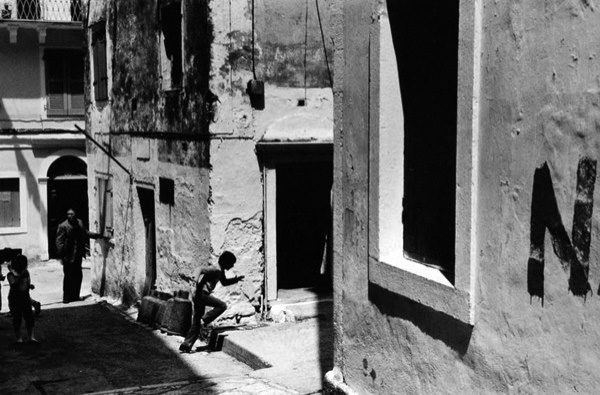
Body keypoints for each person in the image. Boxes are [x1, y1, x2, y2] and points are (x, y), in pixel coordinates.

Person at [179, 251, 244, 353]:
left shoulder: (221, 271)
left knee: (196, 322)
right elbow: (199, 269)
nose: (232, 266)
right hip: (202, 294)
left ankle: (186, 345)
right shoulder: (215, 269)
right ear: (225, 262)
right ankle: (204, 319)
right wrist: (194, 281)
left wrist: (236, 280)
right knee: (222, 305)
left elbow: (224, 282)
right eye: (231, 263)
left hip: (200, 295)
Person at [55, 208, 103, 304]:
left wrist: (96, 235)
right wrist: (62, 255)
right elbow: (59, 242)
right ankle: (66, 297)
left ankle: (75, 295)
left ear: (75, 215)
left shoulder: (79, 223)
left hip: (78, 254)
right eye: (68, 214)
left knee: (78, 276)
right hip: (68, 255)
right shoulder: (63, 226)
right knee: (68, 276)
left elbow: (85, 232)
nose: (69, 216)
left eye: (71, 214)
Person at [7, 254, 38, 344]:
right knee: (17, 318)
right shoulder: (11, 275)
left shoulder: (26, 273)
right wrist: (20, 277)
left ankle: (31, 336)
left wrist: (30, 286)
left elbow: (27, 283)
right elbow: (13, 286)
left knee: (29, 317)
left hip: (24, 297)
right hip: (15, 298)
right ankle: (19, 338)